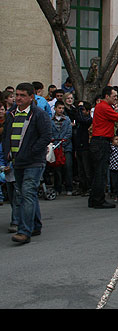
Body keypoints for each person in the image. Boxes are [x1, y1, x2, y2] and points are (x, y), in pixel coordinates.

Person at [2, 82, 52, 244]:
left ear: (31, 97)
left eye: (22, 95)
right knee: (24, 193)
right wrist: (8, 154)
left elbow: (45, 137)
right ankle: (35, 225)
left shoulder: (39, 114)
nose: (18, 98)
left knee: (27, 193)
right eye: (17, 95)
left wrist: (30, 152)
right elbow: (6, 136)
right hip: (17, 161)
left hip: (33, 162)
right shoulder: (11, 114)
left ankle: (24, 231)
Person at [88, 86, 118, 209]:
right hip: (101, 142)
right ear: (106, 96)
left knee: (98, 172)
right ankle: (98, 200)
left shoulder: (102, 106)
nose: (116, 99)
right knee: (100, 172)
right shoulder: (104, 107)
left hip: (99, 141)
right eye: (114, 96)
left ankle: (94, 199)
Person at [50, 100, 73, 195]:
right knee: (57, 168)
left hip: (66, 146)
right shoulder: (50, 120)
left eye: (62, 108)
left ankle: (69, 187)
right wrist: (54, 143)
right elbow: (49, 132)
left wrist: (62, 143)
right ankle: (57, 188)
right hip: (55, 146)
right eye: (59, 108)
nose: (61, 110)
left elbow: (69, 133)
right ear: (55, 108)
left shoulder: (67, 119)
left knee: (68, 167)